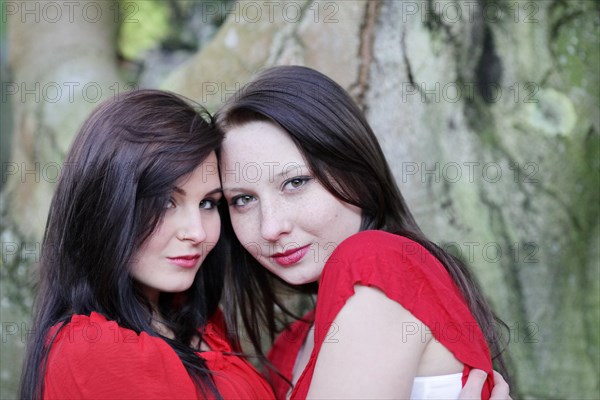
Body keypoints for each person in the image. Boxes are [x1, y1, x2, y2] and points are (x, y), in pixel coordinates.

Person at [215, 65, 511, 399]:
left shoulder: (377, 264)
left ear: (355, 171)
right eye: (242, 199)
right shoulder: (290, 347)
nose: (270, 227)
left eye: (295, 183)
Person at [19, 90, 275, 399]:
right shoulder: (94, 349)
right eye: (167, 201)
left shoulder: (192, 317)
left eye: (208, 203)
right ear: (107, 208)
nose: (197, 232)